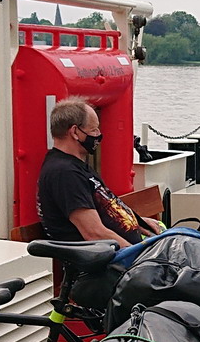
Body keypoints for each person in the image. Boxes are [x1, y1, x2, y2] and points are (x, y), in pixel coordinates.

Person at [36, 97, 157, 247]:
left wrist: (139, 223)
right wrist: (141, 255)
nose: (98, 135)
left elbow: (107, 210)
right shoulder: (64, 173)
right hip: (110, 264)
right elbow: (94, 234)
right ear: (75, 132)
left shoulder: (76, 166)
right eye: (94, 129)